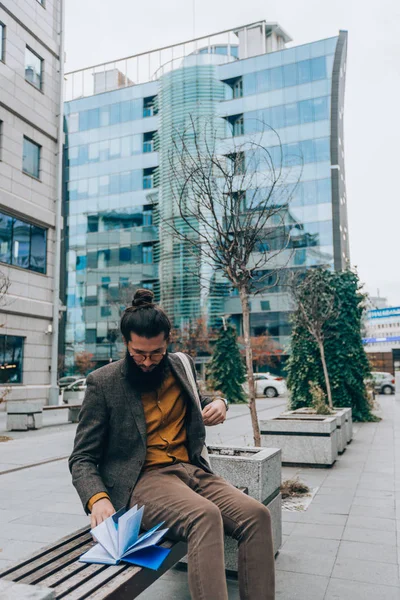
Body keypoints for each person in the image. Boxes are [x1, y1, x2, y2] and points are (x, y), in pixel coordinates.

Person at [69, 289, 275, 600]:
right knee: (204, 517)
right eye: (139, 353)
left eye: (157, 353)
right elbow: (82, 457)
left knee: (257, 516)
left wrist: (219, 402)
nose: (148, 362)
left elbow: (198, 399)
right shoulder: (104, 382)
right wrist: (97, 499)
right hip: (143, 480)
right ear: (126, 343)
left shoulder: (182, 364)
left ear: (168, 342)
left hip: (192, 470)